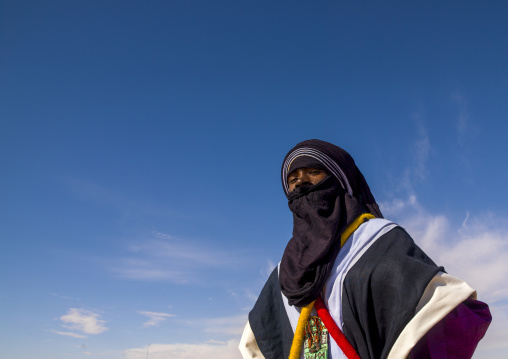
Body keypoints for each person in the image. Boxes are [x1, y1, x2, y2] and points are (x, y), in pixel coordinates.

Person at [239, 139, 491, 359]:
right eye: (293, 180)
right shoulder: (286, 270)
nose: (301, 183)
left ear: (339, 181)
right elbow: (260, 340)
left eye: (313, 172)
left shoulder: (375, 241)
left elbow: (448, 314)